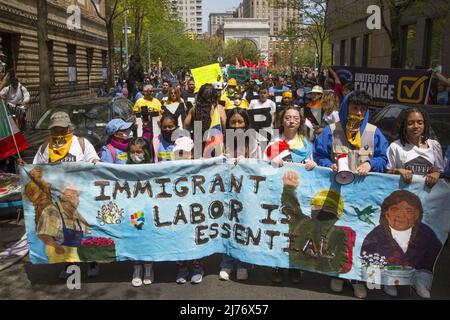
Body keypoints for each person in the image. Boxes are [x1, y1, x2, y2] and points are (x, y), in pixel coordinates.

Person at [313, 91, 388, 299]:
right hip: (336, 194)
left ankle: (357, 278)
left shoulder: (374, 132)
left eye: (363, 109)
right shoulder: (331, 131)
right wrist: (330, 164)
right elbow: (318, 154)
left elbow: (384, 157)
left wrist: (370, 163)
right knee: (337, 233)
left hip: (364, 197)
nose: (359, 112)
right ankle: (337, 273)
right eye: (355, 108)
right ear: (347, 108)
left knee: (362, 236)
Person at [28, 111, 100, 278]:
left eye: (62, 129)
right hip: (57, 199)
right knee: (64, 232)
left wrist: (95, 162)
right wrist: (24, 167)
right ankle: (69, 264)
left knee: (86, 230)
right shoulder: (45, 147)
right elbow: (36, 169)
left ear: (69, 128)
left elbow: (94, 162)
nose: (58, 133)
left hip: (82, 197)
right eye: (55, 130)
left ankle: (92, 262)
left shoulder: (82, 143)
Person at [361, 190, 442, 298]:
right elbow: (367, 257)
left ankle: (420, 282)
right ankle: (388, 282)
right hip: (386, 272)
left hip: (415, 271)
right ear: (386, 213)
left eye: (409, 211)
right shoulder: (376, 235)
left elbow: (433, 255)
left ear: (417, 215)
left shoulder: (426, 233)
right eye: (395, 210)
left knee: (424, 271)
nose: (401, 215)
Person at [386, 108, 444, 188]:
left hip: (427, 197)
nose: (416, 126)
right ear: (404, 126)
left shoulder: (434, 146)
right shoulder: (395, 147)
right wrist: (397, 171)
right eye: (410, 123)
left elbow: (440, 173)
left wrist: (437, 174)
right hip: (403, 195)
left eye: (420, 123)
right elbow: (386, 173)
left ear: (424, 125)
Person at [125, 137, 154, 286]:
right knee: (136, 236)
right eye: (132, 152)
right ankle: (137, 268)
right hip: (134, 210)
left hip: (149, 209)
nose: (135, 155)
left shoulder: (155, 169)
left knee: (147, 237)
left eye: (139, 152)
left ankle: (148, 268)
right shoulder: (123, 169)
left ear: (146, 152)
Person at [184, 83, 226, 158]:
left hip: (199, 147)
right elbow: (225, 127)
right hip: (216, 149)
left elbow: (186, 126)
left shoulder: (194, 110)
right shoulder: (219, 109)